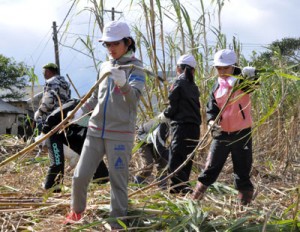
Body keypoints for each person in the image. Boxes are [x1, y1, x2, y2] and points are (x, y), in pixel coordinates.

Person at [64, 21, 145, 229]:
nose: (111, 48)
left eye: (115, 43)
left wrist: (124, 85)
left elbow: (134, 99)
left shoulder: (136, 68)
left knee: (118, 181)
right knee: (80, 176)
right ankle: (76, 211)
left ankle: (117, 221)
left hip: (120, 134)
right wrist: (80, 112)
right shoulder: (105, 66)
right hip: (95, 131)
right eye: (107, 44)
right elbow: (96, 98)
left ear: (127, 42)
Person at [191, 49, 258, 205]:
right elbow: (211, 109)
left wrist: (253, 75)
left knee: (242, 171)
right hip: (221, 134)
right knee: (210, 169)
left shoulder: (243, 81)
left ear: (234, 66)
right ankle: (193, 202)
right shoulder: (217, 86)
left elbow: (254, 86)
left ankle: (243, 209)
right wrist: (211, 122)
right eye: (218, 68)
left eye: (225, 68)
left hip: (241, 134)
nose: (222, 72)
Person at [40, 99, 109, 190]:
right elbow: (50, 119)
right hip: (54, 134)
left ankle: (96, 185)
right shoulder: (74, 105)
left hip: (74, 136)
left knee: (102, 173)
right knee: (58, 164)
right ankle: (50, 189)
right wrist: (44, 135)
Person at [158, 54, 201, 194]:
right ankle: (182, 189)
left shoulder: (178, 82)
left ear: (178, 68)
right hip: (195, 127)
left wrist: (164, 114)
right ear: (193, 70)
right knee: (187, 159)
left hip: (181, 126)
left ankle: (179, 189)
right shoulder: (193, 86)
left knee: (175, 160)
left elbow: (173, 107)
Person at [34, 63, 71, 191]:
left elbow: (48, 101)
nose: (43, 75)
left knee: (55, 156)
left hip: (53, 123)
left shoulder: (51, 82)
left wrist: (39, 112)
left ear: (49, 71)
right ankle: (57, 186)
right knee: (58, 155)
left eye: (44, 72)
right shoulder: (65, 83)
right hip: (64, 121)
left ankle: (50, 187)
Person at [134, 119, 170, 189]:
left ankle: (162, 187)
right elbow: (159, 145)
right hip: (142, 141)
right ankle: (137, 185)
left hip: (153, 141)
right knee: (148, 165)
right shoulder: (161, 125)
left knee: (163, 164)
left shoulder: (171, 126)